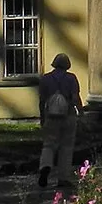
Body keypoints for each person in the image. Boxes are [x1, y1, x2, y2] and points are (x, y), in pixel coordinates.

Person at [36, 52, 82, 188]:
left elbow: (42, 101)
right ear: (67, 65)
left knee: (49, 144)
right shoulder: (71, 78)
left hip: (51, 116)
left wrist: (42, 117)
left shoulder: (45, 79)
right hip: (68, 115)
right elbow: (75, 98)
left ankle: (45, 165)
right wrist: (82, 112)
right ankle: (63, 177)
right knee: (66, 147)